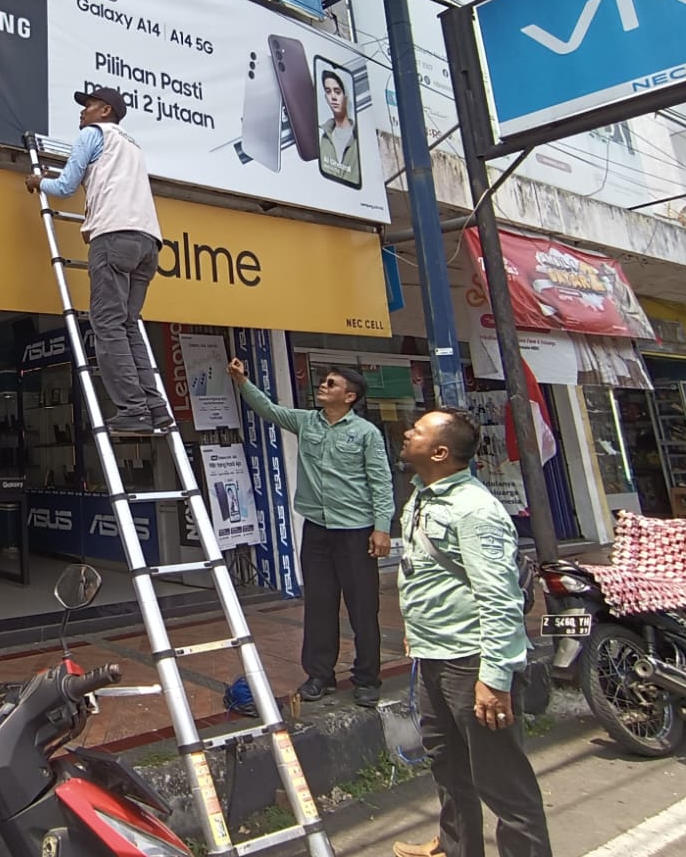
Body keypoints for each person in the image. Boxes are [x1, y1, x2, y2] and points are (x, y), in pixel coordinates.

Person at [391, 409, 550, 857]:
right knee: (448, 765)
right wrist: (416, 630)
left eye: (418, 431)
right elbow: (425, 575)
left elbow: (501, 598)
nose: (407, 433)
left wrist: (495, 679)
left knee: (503, 782)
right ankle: (456, 848)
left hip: (472, 661)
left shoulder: (475, 511)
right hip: (434, 654)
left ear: (439, 452)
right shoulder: (423, 496)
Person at [227, 358, 391, 706]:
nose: (323, 386)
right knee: (319, 604)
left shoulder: (366, 434)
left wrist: (382, 528)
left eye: (331, 384)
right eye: (324, 381)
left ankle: (367, 679)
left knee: (363, 608)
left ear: (349, 396)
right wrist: (242, 381)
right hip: (316, 530)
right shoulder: (306, 422)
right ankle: (320, 675)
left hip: (356, 531)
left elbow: (381, 482)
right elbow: (269, 410)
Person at [26, 86, 167, 432]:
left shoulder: (93, 134)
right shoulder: (133, 146)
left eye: (88, 106)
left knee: (107, 325)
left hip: (114, 236)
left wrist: (38, 180)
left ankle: (133, 410)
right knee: (129, 324)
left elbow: (65, 187)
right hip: (148, 242)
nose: (82, 112)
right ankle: (155, 406)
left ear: (105, 111)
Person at [318, 69, 360, 185]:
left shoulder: (359, 137)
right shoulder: (324, 139)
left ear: (345, 98)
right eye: (328, 91)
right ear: (326, 98)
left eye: (337, 91)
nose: (333, 97)